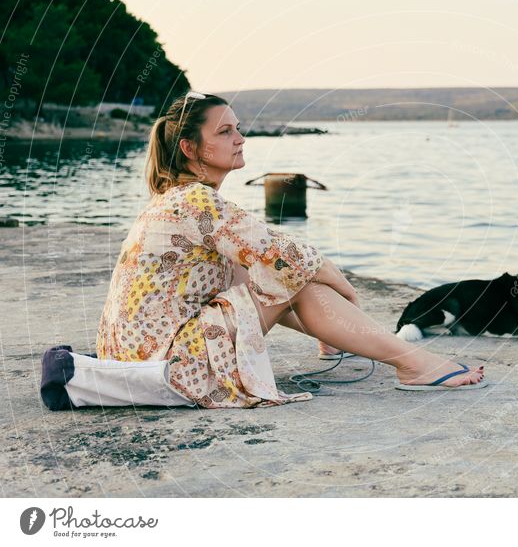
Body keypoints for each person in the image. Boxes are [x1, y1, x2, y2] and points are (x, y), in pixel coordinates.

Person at [41, 92, 485, 410]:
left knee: (268, 274)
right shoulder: (194, 201)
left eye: (239, 128)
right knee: (291, 271)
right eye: (226, 131)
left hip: (147, 357)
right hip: (168, 366)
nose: (241, 138)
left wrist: (326, 322)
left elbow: (254, 279)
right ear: (190, 148)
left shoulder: (178, 199)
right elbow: (283, 256)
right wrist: (343, 286)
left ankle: (396, 358)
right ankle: (414, 364)